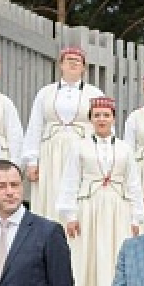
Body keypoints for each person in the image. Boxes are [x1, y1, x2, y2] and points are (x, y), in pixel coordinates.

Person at [59, 96, 142, 286]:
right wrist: (70, 215)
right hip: (90, 208)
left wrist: (136, 217)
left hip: (117, 209)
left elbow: (133, 183)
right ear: (91, 119)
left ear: (114, 118)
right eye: (97, 115)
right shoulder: (80, 146)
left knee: (114, 259)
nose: (102, 119)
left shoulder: (125, 148)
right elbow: (70, 180)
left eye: (106, 115)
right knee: (90, 258)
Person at [23, 46, 105, 219]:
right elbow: (35, 125)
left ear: (84, 67)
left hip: (82, 150)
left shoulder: (95, 94)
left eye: (78, 60)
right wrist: (32, 160)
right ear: (61, 64)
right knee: (50, 193)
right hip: (51, 153)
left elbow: (104, 125)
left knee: (78, 193)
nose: (73, 63)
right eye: (69, 59)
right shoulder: (45, 93)